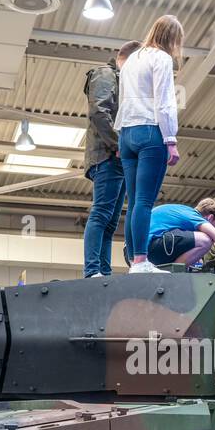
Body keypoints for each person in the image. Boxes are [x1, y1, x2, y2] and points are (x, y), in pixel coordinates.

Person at [115, 14, 184, 271]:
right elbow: (164, 101)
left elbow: (123, 99)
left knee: (134, 202)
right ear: (173, 39)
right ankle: (142, 260)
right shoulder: (161, 58)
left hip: (127, 133)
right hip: (149, 132)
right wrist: (171, 139)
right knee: (145, 201)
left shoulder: (132, 59)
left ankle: (135, 259)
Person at [83, 40, 143, 277]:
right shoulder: (106, 75)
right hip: (107, 155)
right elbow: (99, 111)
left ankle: (102, 271)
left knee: (109, 221)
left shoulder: (121, 81)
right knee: (101, 214)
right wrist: (118, 144)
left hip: (117, 157)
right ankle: (92, 270)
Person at [145, 197, 215, 268]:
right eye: (214, 226)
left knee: (196, 259)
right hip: (153, 245)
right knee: (206, 240)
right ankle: (172, 274)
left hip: (141, 252)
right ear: (210, 218)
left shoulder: (182, 212)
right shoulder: (194, 216)